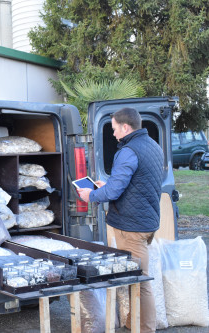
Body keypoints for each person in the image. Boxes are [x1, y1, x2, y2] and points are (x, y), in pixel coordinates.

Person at [77, 107, 162, 333]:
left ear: (125, 127)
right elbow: (137, 183)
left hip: (131, 227)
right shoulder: (153, 146)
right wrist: (109, 186)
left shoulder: (128, 151)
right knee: (137, 278)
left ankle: (144, 329)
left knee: (140, 281)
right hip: (146, 222)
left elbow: (115, 192)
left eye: (114, 129)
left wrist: (91, 195)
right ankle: (133, 323)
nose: (113, 134)